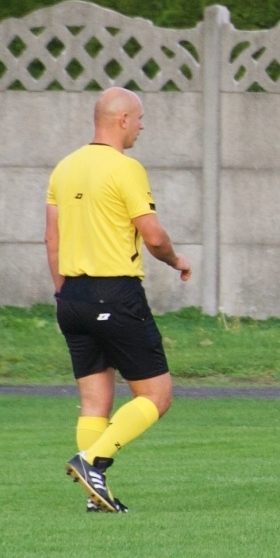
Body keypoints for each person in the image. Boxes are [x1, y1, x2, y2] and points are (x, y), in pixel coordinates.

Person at [46, 87, 192, 512]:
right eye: (140, 118)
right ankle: (92, 461)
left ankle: (95, 493)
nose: (143, 126)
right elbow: (153, 235)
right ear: (123, 119)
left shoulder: (64, 168)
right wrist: (176, 258)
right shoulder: (125, 169)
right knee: (157, 395)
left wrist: (62, 291)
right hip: (115, 292)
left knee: (94, 401)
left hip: (71, 295)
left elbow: (51, 238)